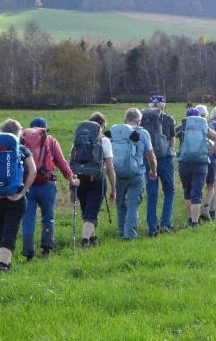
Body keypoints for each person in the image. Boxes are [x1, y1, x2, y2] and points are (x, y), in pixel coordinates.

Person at [21, 117, 80, 260]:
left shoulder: (22, 140)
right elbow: (61, 162)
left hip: (27, 185)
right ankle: (46, 251)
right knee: (48, 217)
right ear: (44, 129)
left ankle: (28, 252)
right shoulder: (51, 141)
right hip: (47, 184)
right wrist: (71, 178)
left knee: (28, 218)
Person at [0, 119, 36, 272]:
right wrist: (22, 193)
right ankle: (2, 265)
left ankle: (5, 262)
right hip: (15, 196)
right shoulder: (22, 150)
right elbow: (33, 171)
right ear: (18, 133)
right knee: (10, 230)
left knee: (1, 230)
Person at [75, 112, 116, 249]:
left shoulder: (79, 140)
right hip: (97, 180)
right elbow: (109, 167)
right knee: (91, 213)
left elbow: (72, 163)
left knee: (86, 210)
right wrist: (113, 188)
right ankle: (85, 241)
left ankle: (92, 239)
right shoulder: (104, 141)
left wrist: (71, 187)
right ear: (102, 126)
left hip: (79, 179)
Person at [114, 108, 156, 240]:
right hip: (136, 173)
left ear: (125, 120)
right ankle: (130, 234)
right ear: (139, 121)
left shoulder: (117, 131)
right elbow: (150, 155)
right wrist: (153, 171)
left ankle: (121, 232)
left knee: (120, 204)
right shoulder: (143, 133)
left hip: (118, 172)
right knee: (133, 204)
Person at [178, 108, 216, 227]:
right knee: (197, 193)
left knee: (187, 191)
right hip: (201, 163)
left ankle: (189, 219)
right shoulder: (204, 126)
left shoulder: (183, 126)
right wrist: (209, 152)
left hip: (184, 162)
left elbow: (170, 138)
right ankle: (194, 222)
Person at [144, 95, 175, 237]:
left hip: (148, 159)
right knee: (169, 191)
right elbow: (172, 142)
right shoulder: (168, 119)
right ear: (163, 105)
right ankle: (166, 223)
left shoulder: (143, 119)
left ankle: (152, 228)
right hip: (165, 159)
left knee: (152, 194)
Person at [195, 104, 216, 221]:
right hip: (208, 160)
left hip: (192, 160)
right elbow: (215, 144)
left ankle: (193, 216)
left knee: (195, 187)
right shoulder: (208, 126)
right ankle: (206, 208)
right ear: (205, 115)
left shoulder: (187, 126)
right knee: (211, 185)